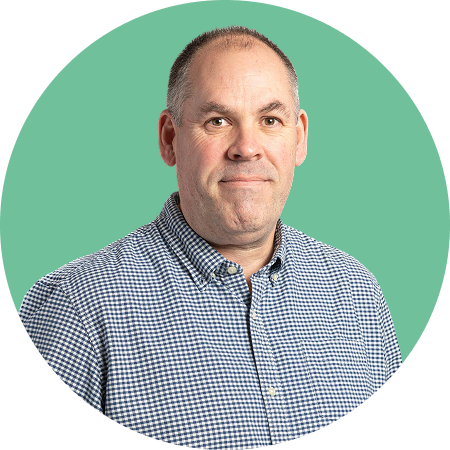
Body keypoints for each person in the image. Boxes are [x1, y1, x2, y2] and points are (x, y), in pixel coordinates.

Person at [18, 26, 402, 449]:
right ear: (170, 138)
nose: (246, 148)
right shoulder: (77, 307)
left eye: (270, 120)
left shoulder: (357, 293)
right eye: (218, 121)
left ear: (299, 138)